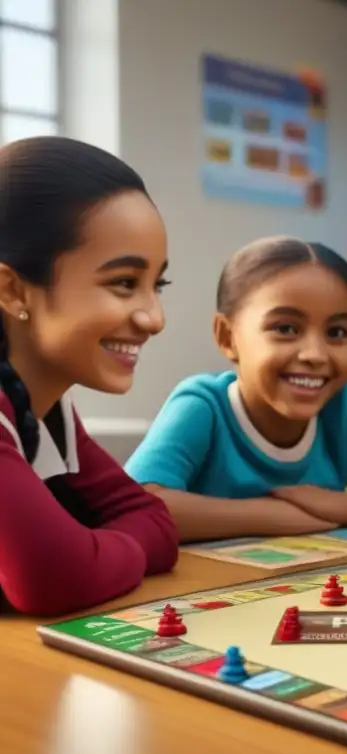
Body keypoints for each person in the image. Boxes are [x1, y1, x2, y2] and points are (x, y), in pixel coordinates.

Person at [125, 236, 347, 542]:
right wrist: (277, 516)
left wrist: (333, 505)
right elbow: (136, 507)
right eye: (286, 329)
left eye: (336, 332)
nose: (316, 355)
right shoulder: (203, 405)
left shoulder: (346, 402)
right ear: (227, 337)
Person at [0, 136, 179, 616]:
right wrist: (92, 551)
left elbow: (156, 524)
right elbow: (55, 576)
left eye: (155, 285)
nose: (154, 318)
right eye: (124, 283)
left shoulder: (45, 408)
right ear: (13, 290)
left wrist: (95, 549)